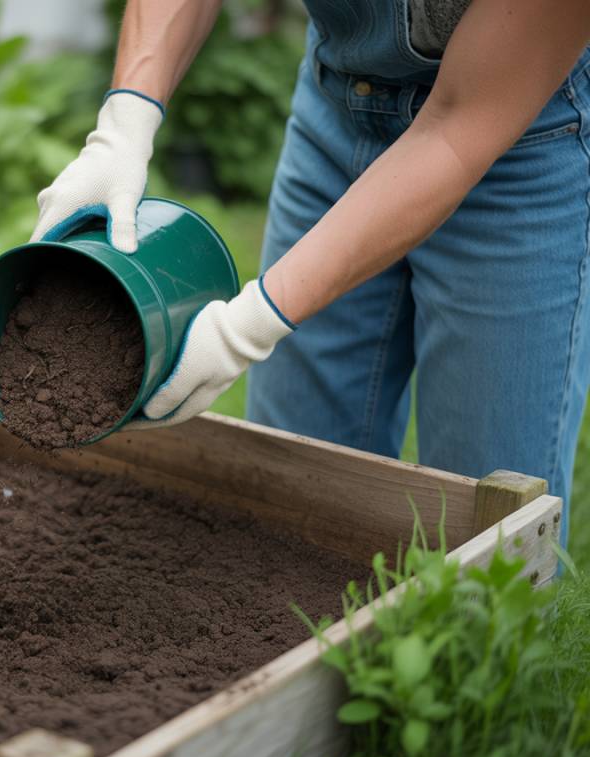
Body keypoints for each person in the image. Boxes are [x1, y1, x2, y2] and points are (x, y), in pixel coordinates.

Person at [31, 0, 590, 545]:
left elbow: (455, 127)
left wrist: (245, 328)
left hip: (518, 135)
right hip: (339, 101)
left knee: (486, 530)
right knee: (285, 508)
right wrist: (124, 125)